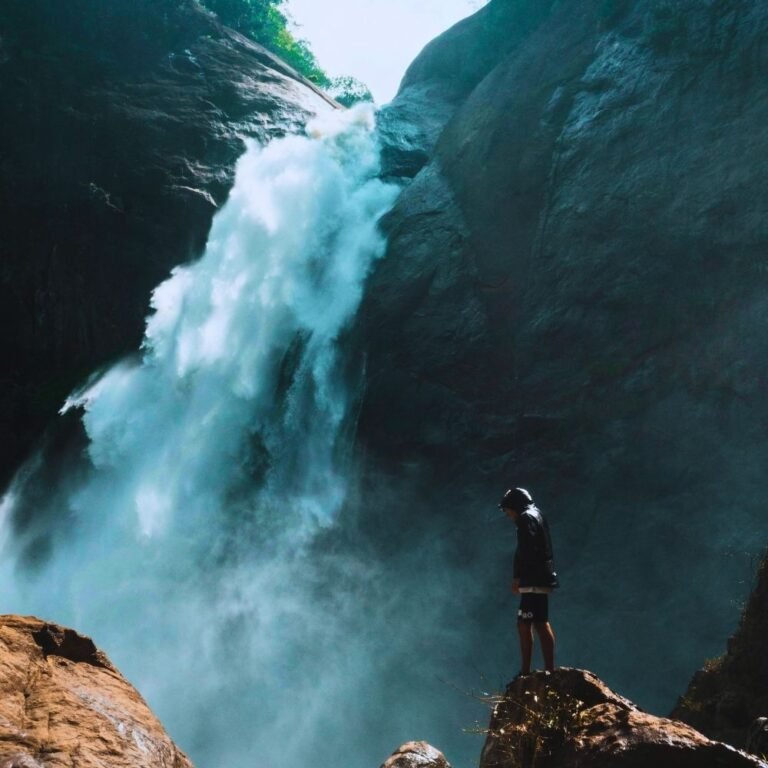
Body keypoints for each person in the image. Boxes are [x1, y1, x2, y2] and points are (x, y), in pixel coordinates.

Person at [498, 487, 559, 675]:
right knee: (540, 621)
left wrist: (518, 576)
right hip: (543, 575)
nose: (507, 514)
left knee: (524, 623)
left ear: (515, 505)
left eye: (506, 509)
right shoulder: (538, 514)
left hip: (532, 578)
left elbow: (526, 548)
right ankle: (549, 670)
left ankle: (525, 672)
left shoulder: (525, 518)